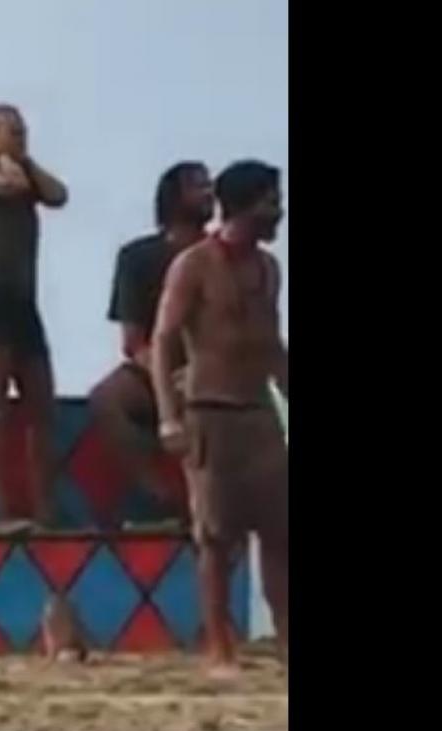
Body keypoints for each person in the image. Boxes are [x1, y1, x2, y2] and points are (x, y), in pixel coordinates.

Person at [151, 160, 288, 676]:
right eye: (271, 201)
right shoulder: (194, 265)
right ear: (246, 205)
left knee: (278, 532)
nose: (279, 211)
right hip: (210, 411)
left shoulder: (268, 268)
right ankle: (219, 646)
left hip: (259, 412)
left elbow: (271, 345)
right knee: (215, 537)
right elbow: (164, 340)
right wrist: (168, 417)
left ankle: (284, 638)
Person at [0, 104, 68, 534]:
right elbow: (9, 185)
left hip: (23, 303)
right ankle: (2, 510)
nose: (19, 135)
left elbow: (58, 195)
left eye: (21, 129)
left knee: (42, 406)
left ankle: (46, 509)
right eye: (7, 129)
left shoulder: (27, 175)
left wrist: (27, 160)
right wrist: (10, 160)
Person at [89, 163, 214, 529]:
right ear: (173, 197)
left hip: (217, 371)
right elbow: (134, 341)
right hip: (158, 369)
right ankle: (160, 499)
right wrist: (165, 379)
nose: (208, 193)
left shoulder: (220, 255)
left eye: (209, 185)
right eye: (198, 186)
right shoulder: (138, 257)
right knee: (107, 399)